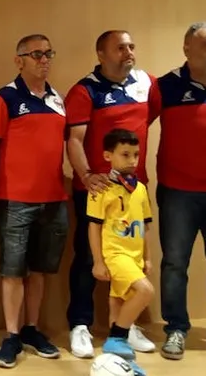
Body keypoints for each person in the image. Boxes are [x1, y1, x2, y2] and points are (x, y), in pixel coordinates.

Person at [149, 22, 206, 363]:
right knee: (175, 264)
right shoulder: (164, 86)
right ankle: (176, 328)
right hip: (178, 194)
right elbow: (133, 126)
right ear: (187, 48)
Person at [63, 30, 155, 358]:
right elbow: (74, 139)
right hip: (97, 190)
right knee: (90, 259)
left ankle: (124, 326)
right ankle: (80, 325)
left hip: (133, 190)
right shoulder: (85, 90)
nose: (128, 52)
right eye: (120, 48)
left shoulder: (147, 83)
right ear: (101, 54)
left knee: (131, 257)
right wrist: (87, 175)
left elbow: (184, 81)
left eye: (131, 46)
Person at [0, 35, 67, 368]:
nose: (44, 60)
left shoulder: (57, 99)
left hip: (54, 199)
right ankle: (11, 336)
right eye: (36, 54)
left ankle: (32, 328)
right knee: (12, 271)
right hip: (16, 199)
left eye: (48, 53)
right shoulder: (4, 98)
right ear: (19, 60)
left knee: (39, 270)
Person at [87, 128, 154, 376]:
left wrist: (147, 257)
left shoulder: (141, 189)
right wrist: (98, 261)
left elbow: (145, 226)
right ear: (108, 156)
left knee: (117, 303)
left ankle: (119, 362)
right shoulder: (101, 189)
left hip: (135, 256)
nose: (132, 160)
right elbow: (94, 227)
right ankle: (117, 338)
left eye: (136, 154)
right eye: (125, 154)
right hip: (115, 255)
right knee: (145, 291)